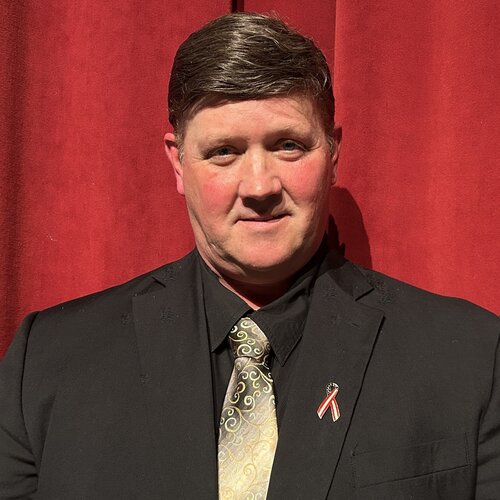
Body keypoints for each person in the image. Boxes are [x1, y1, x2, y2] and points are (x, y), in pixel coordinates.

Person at [0, 12, 498, 500]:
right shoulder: (47, 363)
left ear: (333, 153)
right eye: (224, 151)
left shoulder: (470, 358)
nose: (260, 187)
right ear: (178, 163)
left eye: (288, 145)